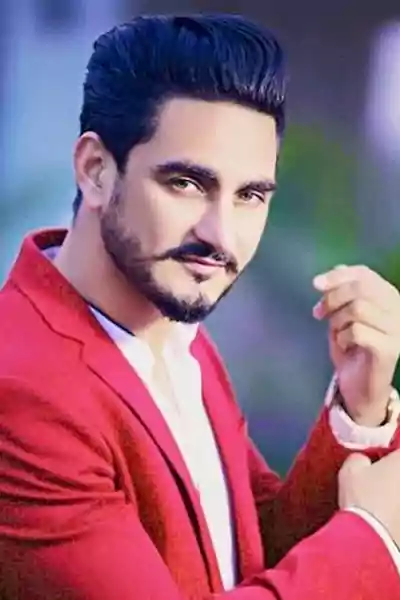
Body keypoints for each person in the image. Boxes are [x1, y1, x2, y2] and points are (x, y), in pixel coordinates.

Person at [0, 13, 400, 600]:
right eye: (186, 184)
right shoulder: (22, 393)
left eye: (250, 195)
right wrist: (374, 539)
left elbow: (253, 558)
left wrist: (359, 408)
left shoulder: (175, 331)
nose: (221, 236)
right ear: (95, 170)